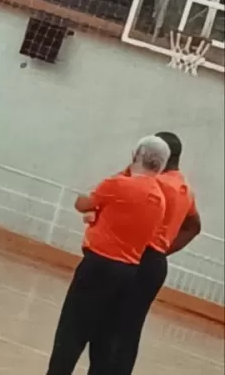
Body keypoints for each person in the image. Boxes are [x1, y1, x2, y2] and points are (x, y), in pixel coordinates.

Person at [46, 136, 169, 375]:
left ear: (136, 155)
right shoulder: (160, 200)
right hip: (128, 274)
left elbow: (82, 203)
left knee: (71, 333)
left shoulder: (119, 185)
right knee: (105, 340)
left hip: (99, 265)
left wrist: (95, 210)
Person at [87, 131, 201, 375]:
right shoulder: (184, 187)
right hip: (155, 262)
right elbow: (194, 226)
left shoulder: (156, 183)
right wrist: (162, 250)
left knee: (108, 325)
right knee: (130, 329)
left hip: (134, 258)